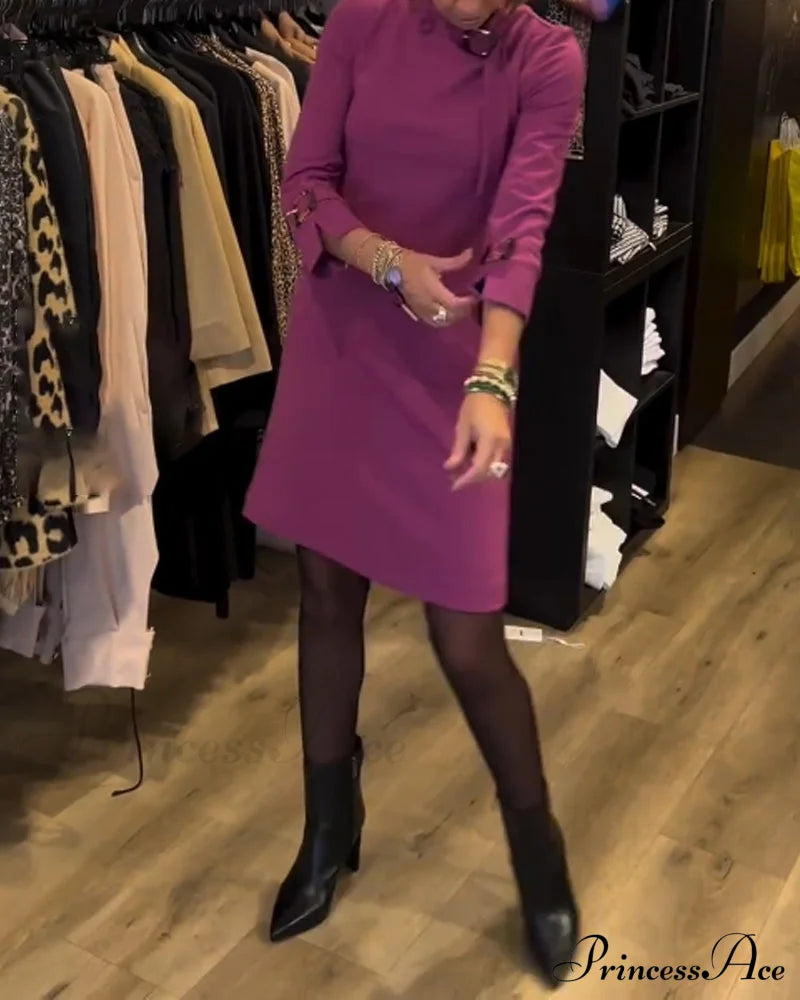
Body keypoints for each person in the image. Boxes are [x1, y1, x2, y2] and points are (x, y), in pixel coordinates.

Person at [245, 0, 585, 984]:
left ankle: (537, 848)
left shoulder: (547, 58)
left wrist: (493, 375)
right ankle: (327, 823)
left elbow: (521, 231)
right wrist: (385, 262)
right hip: (347, 336)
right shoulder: (363, 19)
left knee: (467, 637)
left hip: (457, 360)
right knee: (324, 593)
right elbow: (305, 180)